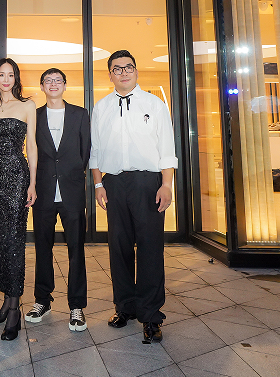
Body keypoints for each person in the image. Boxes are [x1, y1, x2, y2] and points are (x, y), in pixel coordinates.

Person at [90, 50, 177, 344]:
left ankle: (151, 315)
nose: (124, 72)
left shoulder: (154, 104)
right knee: (119, 247)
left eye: (128, 67)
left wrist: (167, 185)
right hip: (114, 184)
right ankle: (125, 307)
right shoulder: (101, 107)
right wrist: (98, 185)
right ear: (110, 75)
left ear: (136, 71)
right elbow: (95, 151)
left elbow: (166, 147)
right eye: (117, 68)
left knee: (150, 249)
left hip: (148, 183)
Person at [0, 58, 37, 341]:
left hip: (16, 177)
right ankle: (5, 300)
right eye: (1, 75)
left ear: (16, 78)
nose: (5, 79)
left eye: (10, 75)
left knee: (13, 242)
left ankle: (14, 310)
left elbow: (32, 146)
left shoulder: (27, 106)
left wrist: (32, 183)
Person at [26, 68, 91, 332]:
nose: (53, 84)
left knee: (76, 249)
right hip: (42, 191)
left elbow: (85, 151)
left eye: (58, 80)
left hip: (72, 191)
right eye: (48, 81)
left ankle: (77, 306)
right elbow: (31, 150)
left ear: (65, 85)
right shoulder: (34, 115)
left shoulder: (80, 114)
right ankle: (42, 300)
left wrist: (70, 174)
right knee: (43, 248)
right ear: (42, 86)